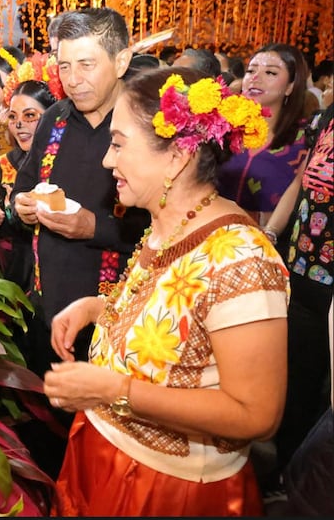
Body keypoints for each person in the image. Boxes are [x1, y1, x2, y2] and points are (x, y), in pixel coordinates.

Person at [43, 67, 288, 517]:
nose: (106, 161)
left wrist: (114, 390)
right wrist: (98, 308)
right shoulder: (168, 223)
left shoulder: (241, 257)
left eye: (117, 144)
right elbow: (174, 310)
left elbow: (256, 413)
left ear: (176, 157)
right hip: (103, 454)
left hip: (167, 490)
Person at [9, 8, 149, 481]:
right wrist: (22, 205)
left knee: (106, 453)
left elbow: (169, 227)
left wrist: (96, 228)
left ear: (123, 59)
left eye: (87, 64)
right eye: (64, 66)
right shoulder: (54, 119)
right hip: (47, 303)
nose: (73, 80)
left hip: (118, 320)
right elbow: (22, 185)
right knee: (47, 436)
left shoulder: (150, 124)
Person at [261, 101, 333, 501]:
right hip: (304, 270)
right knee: (299, 380)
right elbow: (303, 179)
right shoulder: (328, 116)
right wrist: (270, 232)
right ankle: (286, 477)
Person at [218, 43, 310, 235]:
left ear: (291, 86)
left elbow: (296, 189)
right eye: (251, 71)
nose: (255, 78)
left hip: (263, 245)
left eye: (271, 73)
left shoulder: (305, 139)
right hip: (209, 237)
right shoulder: (222, 127)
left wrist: (269, 233)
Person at [0, 80, 57, 290]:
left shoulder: (67, 161)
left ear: (53, 116)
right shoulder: (3, 165)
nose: (19, 124)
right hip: (22, 276)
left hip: (63, 272)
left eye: (30, 116)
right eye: (13, 117)